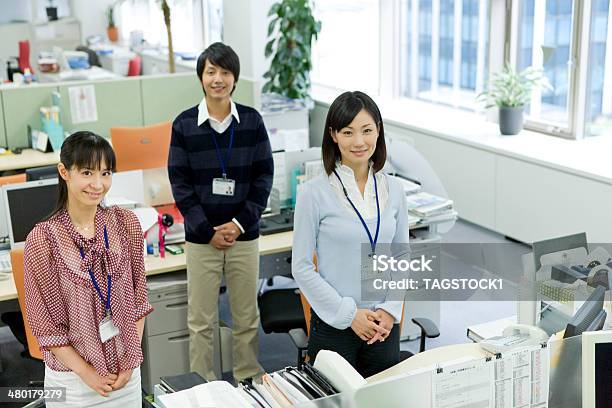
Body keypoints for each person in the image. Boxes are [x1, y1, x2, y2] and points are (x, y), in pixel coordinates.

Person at [24, 131, 153, 407]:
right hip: (74, 383)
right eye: (86, 172)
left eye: (106, 173)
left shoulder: (126, 224)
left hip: (125, 376)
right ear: (64, 172)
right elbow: (46, 327)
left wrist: (130, 361)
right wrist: (87, 373)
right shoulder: (43, 240)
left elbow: (139, 302)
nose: (98, 184)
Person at [168, 42, 273, 381]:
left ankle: (248, 379)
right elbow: (180, 184)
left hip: (244, 236)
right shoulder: (184, 125)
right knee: (200, 322)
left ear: (235, 78)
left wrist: (239, 224)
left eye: (225, 72)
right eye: (211, 71)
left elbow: (263, 178)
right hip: (202, 241)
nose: (218, 79)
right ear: (201, 77)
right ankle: (203, 385)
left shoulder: (252, 122)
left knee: (246, 317)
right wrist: (207, 229)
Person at [292, 91, 410, 377]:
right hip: (336, 326)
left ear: (379, 131)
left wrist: (390, 310)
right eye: (348, 132)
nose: (359, 141)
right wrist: (350, 315)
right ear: (333, 135)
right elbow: (302, 267)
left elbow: (403, 254)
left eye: (367, 130)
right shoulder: (313, 194)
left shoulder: (394, 190)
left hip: (382, 326)